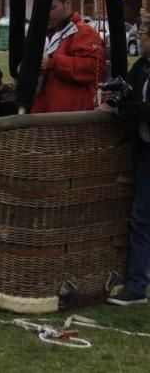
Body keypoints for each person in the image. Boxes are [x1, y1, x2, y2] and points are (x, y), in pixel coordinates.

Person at [106, 17, 150, 306]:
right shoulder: (143, 66)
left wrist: (125, 108)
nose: (141, 35)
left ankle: (136, 285)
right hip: (147, 149)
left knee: (142, 218)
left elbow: (145, 108)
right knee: (141, 218)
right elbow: (130, 89)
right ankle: (136, 283)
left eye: (144, 31)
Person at [31, 0, 105, 113]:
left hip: (71, 116)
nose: (47, 14)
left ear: (67, 4)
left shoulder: (84, 32)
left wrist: (51, 62)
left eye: (52, 8)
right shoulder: (48, 35)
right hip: (47, 112)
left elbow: (94, 68)